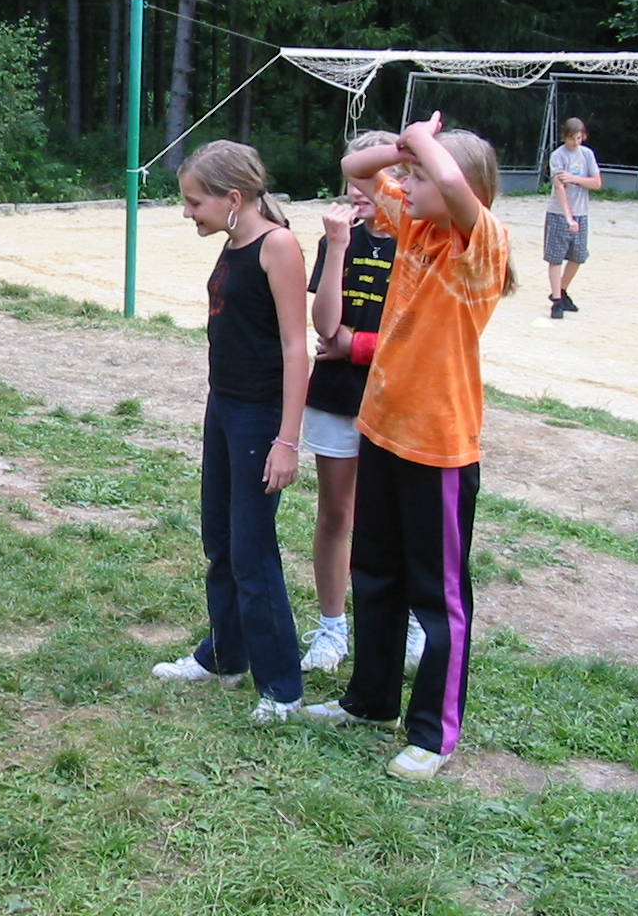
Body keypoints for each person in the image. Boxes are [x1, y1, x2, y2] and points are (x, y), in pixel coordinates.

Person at [303, 112, 513, 782]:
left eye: (416, 177)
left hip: (438, 447)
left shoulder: (482, 245)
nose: (405, 185)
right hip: (381, 429)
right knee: (376, 574)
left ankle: (433, 733)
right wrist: (403, 147)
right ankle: (370, 701)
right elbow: (354, 169)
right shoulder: (415, 226)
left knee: (438, 595)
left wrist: (424, 142)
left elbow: (449, 182)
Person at [150, 140, 308, 727]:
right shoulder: (234, 241)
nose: (187, 212)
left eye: (195, 202)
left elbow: (297, 348)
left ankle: (282, 687)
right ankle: (224, 656)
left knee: (252, 549)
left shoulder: (278, 246)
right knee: (219, 536)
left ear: (234, 198)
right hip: (224, 406)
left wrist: (287, 440)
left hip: (259, 417)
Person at [298, 131, 399, 676]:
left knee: (393, 517)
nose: (358, 192)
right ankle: (332, 628)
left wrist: (356, 346)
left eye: (371, 181)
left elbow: (420, 339)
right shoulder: (340, 238)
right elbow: (325, 326)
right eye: (353, 182)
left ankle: (405, 624)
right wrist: (337, 246)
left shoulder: (419, 241)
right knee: (337, 512)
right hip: (338, 395)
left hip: (398, 399)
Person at [544, 117, 601, 319]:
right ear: (564, 137)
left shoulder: (587, 154)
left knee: (578, 256)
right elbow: (560, 188)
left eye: (579, 138)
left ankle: (561, 290)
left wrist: (575, 178)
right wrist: (569, 218)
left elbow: (597, 182)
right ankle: (556, 301)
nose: (576, 142)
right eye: (572, 138)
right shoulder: (558, 156)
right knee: (555, 258)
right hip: (559, 213)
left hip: (582, 212)